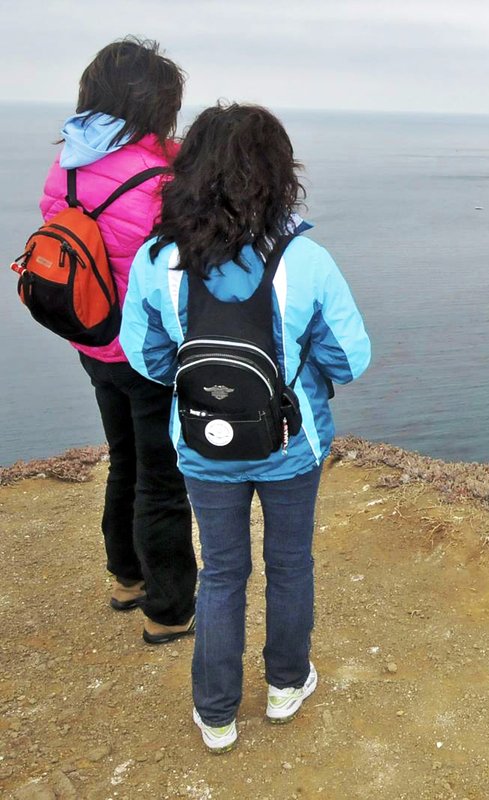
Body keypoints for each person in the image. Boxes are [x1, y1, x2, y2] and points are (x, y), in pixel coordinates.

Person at [121, 103, 371, 753]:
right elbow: (352, 356)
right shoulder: (306, 260)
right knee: (289, 564)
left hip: (203, 446)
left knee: (222, 571)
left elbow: (147, 358)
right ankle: (287, 685)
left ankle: (217, 712)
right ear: (278, 175)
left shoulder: (157, 260)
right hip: (293, 444)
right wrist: (307, 371)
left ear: (190, 173)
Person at [39, 37, 197, 643]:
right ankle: (168, 608)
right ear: (156, 104)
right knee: (163, 476)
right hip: (147, 350)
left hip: (91, 335)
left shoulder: (69, 162)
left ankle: (126, 578)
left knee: (123, 456)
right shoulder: (157, 178)